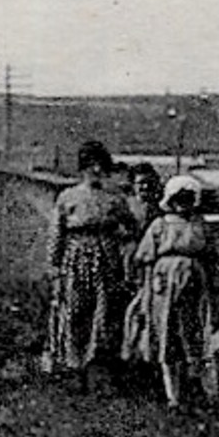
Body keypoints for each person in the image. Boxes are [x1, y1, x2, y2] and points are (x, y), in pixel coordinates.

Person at [43, 140, 137, 385]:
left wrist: (119, 241)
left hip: (106, 258)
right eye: (91, 165)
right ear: (83, 167)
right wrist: (54, 265)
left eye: (100, 165)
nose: (96, 170)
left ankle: (98, 364)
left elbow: (132, 227)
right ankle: (74, 365)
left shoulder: (114, 199)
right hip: (75, 257)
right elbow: (57, 232)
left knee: (103, 311)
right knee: (75, 310)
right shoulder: (68, 196)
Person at [127, 175, 219, 408]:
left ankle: (210, 393)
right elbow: (145, 258)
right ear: (170, 199)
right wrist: (148, 288)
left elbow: (212, 256)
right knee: (166, 334)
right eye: (178, 198)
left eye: (188, 198)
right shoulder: (160, 225)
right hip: (164, 284)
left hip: (194, 283)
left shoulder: (199, 224)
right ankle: (173, 397)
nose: (183, 203)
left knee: (197, 332)